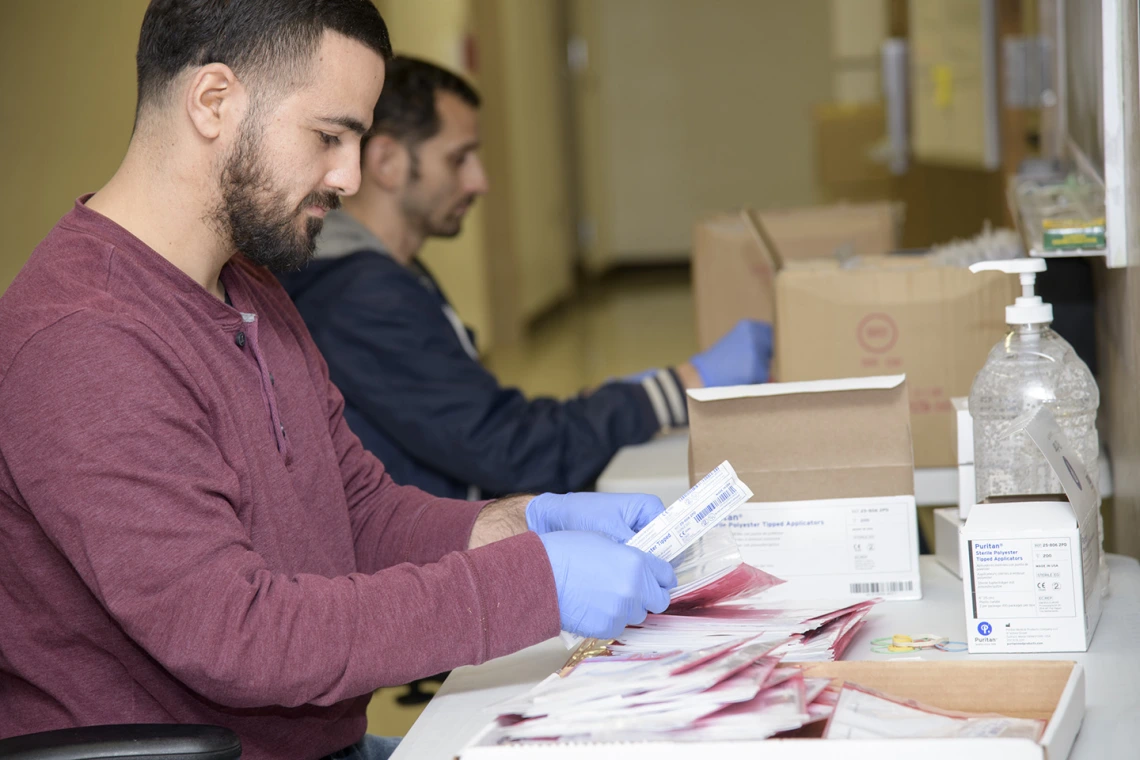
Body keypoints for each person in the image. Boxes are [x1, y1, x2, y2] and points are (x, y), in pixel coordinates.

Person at [0, 3, 678, 760]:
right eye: (329, 137)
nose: (350, 177)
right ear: (213, 102)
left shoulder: (250, 286)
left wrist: (517, 525)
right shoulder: (85, 342)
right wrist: (532, 585)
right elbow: (238, 634)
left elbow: (355, 513)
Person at [277, 57, 772, 501]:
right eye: (458, 158)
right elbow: (511, 451)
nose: (479, 182)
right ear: (387, 162)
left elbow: (481, 418)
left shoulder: (383, 272)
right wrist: (677, 387)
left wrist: (612, 403)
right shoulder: (359, 293)